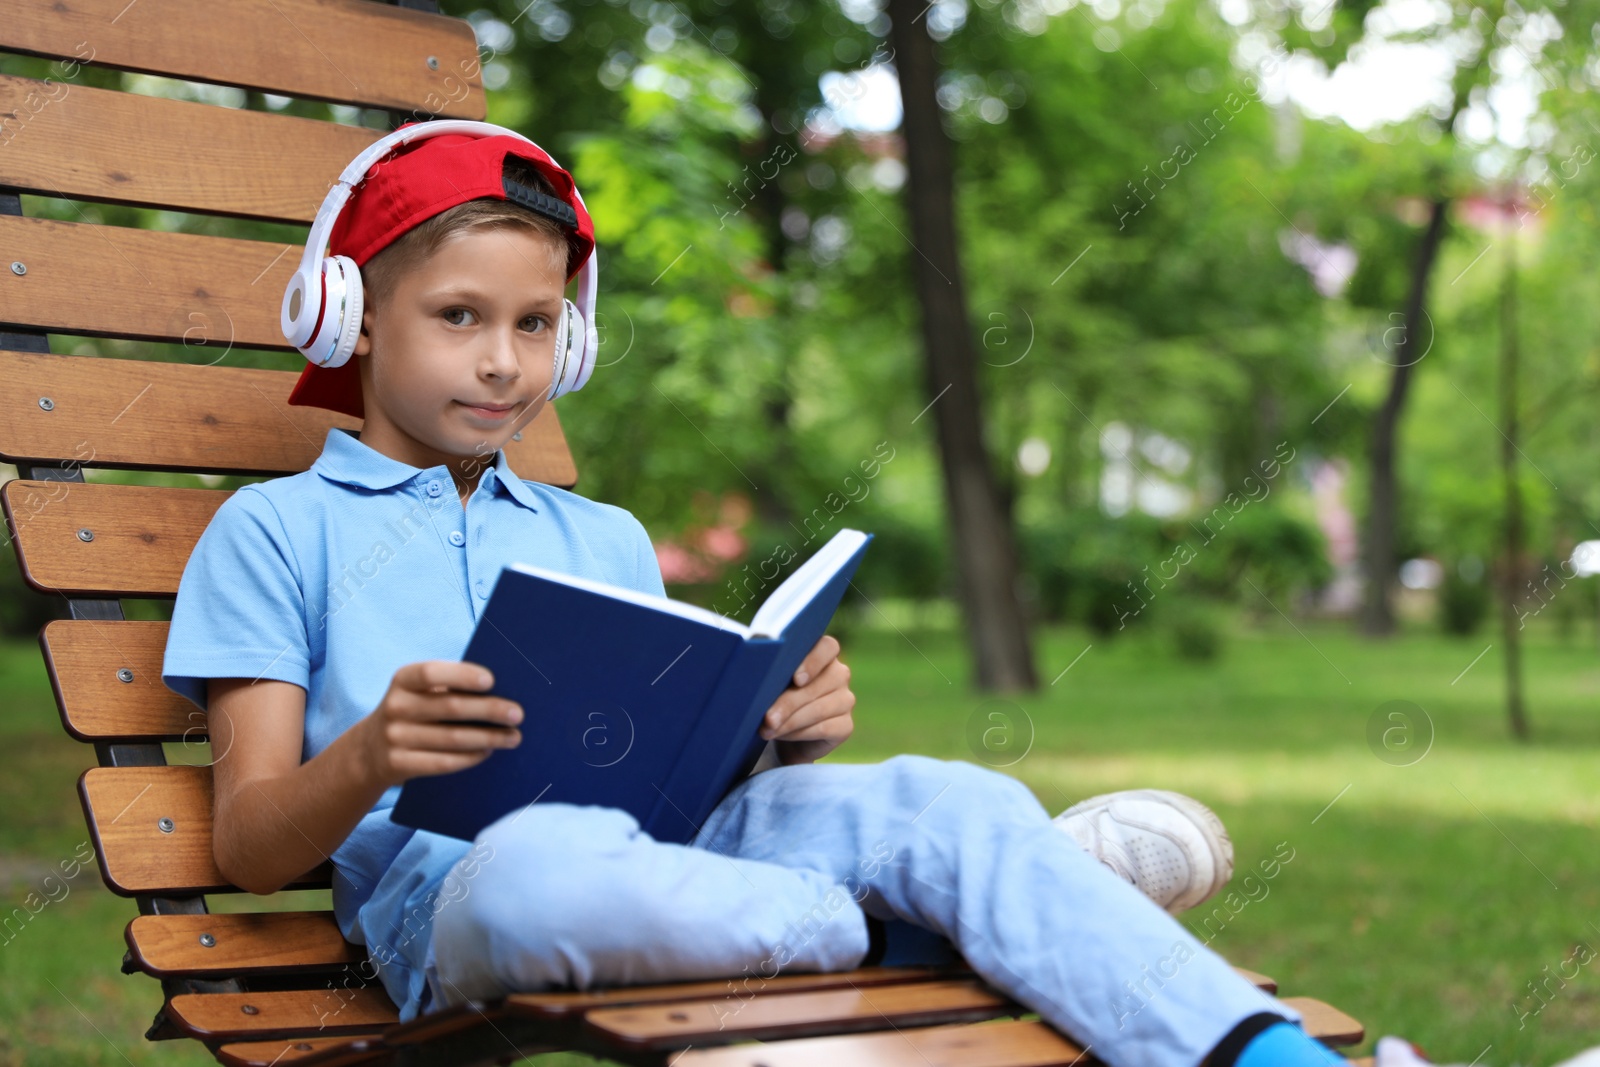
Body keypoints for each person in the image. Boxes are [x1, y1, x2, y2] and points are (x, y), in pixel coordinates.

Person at [161, 122, 1344, 1067]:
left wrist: (776, 735)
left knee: (949, 795)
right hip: (459, 900)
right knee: (544, 871)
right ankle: (935, 922)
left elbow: (676, 780)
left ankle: (1274, 1055)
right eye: (459, 317)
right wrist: (371, 753)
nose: (503, 361)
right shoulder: (275, 533)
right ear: (351, 317)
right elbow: (253, 843)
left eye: (536, 323)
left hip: (689, 852)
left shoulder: (600, 535)